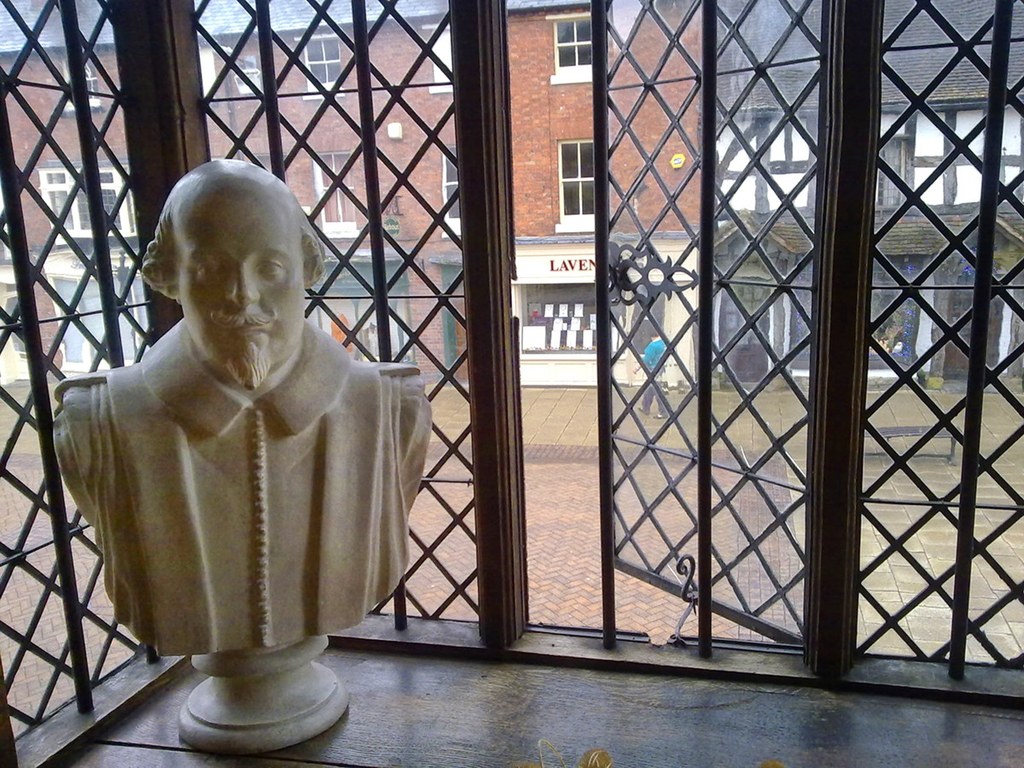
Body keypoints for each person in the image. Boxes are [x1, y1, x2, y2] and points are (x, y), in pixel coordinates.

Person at [52, 160, 432, 656]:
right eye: (210, 269)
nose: (243, 294)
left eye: (270, 268)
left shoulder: (392, 410)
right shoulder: (94, 423)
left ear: (308, 270)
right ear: (168, 277)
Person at [637, 333, 667, 419]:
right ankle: (645, 408)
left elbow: (646, 359)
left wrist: (637, 368)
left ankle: (663, 411)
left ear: (652, 336)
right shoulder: (663, 343)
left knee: (657, 391)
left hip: (653, 369)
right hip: (660, 368)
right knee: (649, 389)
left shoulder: (653, 345)